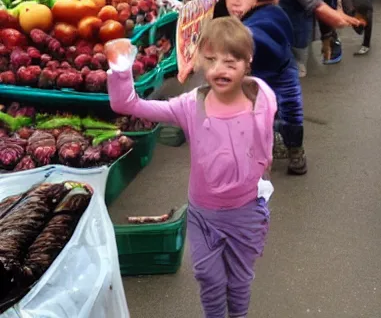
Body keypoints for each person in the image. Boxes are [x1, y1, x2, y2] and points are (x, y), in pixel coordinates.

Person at [107, 17, 277, 318]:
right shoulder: (189, 106)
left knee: (239, 282)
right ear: (198, 60)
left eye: (230, 60)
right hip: (204, 215)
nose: (219, 69)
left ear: (248, 60)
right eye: (210, 60)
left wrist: (264, 164)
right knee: (208, 277)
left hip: (246, 212)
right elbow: (129, 105)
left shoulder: (262, 95)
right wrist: (120, 67)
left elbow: (264, 133)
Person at [214, 0, 307, 174]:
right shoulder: (227, 18)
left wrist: (242, 38)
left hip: (280, 73)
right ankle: (266, 144)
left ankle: (296, 150)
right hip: (253, 77)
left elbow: (261, 32)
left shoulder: (270, 13)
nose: (237, 1)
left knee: (290, 111)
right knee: (256, 114)